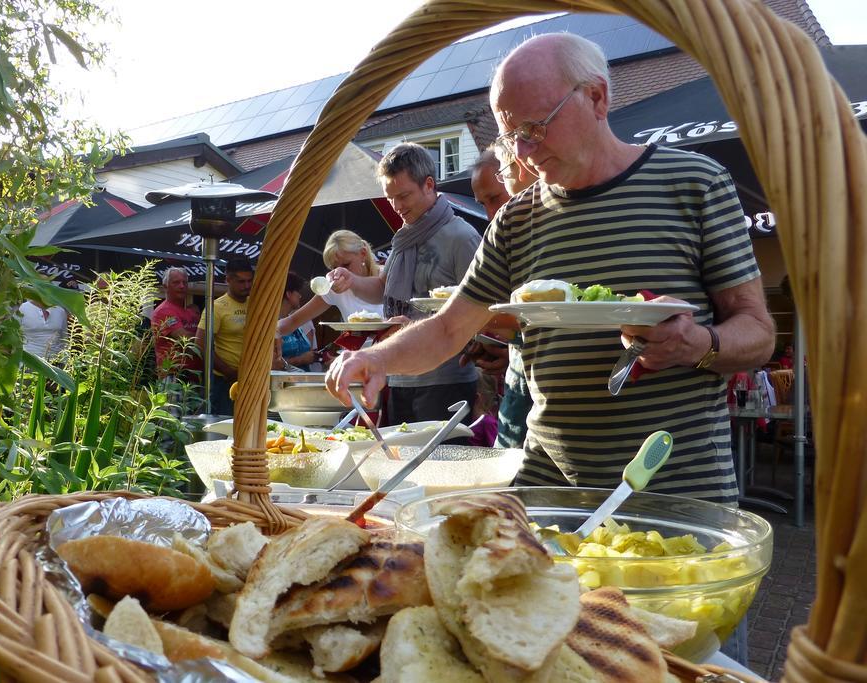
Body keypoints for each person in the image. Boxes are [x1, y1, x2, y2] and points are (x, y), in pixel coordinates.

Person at [327, 33, 775, 506]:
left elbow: (758, 333)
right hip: (551, 494)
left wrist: (699, 344)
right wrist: (374, 359)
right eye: (510, 135)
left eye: (534, 129)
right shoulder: (516, 218)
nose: (522, 152)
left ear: (596, 97)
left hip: (677, 489)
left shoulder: (695, 183)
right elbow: (447, 329)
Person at [327, 143, 483, 426]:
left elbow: (480, 310)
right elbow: (382, 289)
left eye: (404, 195)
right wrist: (353, 281)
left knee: (438, 468)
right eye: (390, 198)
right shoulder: (403, 237)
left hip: (444, 379)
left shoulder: (461, 237)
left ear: (429, 185)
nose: (397, 206)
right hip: (397, 375)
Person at [463, 147, 533, 450]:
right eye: (483, 202)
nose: (490, 212)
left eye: (495, 198)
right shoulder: (505, 238)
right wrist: (499, 346)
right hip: (517, 392)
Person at [276, 229, 384, 336]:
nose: (340, 272)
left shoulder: (390, 276)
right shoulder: (335, 286)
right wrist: (269, 332)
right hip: (359, 352)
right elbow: (293, 321)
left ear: (363, 253)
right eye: (334, 268)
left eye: (346, 265)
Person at [196, 257, 255, 416]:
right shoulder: (217, 307)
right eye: (241, 282)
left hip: (252, 376)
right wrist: (228, 371)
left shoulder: (255, 302)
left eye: (249, 281)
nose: (247, 286)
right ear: (228, 279)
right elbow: (201, 343)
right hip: (224, 381)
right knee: (226, 426)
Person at [151, 268, 201, 381]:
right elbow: (185, 338)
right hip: (173, 377)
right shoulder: (163, 311)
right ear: (165, 286)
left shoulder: (190, 312)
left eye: (185, 282)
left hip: (194, 377)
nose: (182, 286)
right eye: (176, 282)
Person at [275, 271, 316, 371]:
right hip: (284, 383)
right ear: (288, 294)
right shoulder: (271, 325)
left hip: (303, 381)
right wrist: (300, 360)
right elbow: (272, 365)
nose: (300, 296)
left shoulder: (294, 321)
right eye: (298, 292)